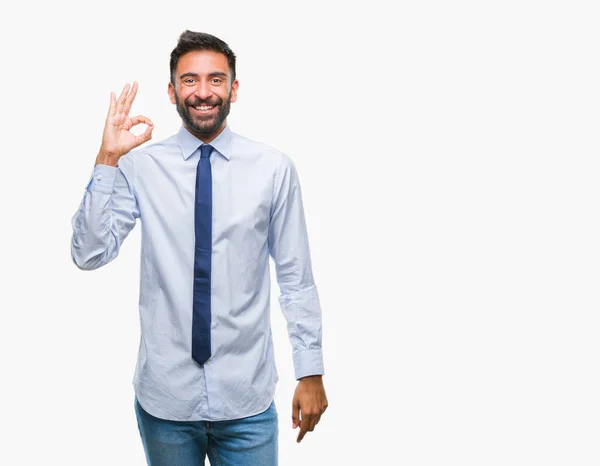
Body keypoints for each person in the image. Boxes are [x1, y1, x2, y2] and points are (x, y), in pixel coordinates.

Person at [70, 30, 328, 465]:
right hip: (166, 400)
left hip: (246, 399)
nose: (203, 92)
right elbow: (89, 253)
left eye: (216, 79)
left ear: (234, 88)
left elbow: (295, 275)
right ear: (172, 92)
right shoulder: (140, 166)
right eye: (190, 81)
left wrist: (311, 369)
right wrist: (107, 159)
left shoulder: (272, 169)